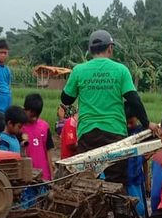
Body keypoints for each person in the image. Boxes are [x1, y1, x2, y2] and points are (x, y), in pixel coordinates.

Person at [61, 29, 155, 185]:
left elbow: (66, 99)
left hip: (87, 133)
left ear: (90, 50)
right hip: (115, 133)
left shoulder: (79, 70)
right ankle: (116, 208)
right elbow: (134, 99)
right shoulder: (120, 70)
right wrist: (147, 123)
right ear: (110, 48)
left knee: (86, 181)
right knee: (116, 181)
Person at [22, 93, 53, 180]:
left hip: (44, 175)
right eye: (32, 116)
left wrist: (51, 175)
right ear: (25, 110)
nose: (34, 119)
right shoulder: (19, 127)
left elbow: (48, 152)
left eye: (37, 116)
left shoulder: (44, 126)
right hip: (27, 176)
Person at [126, 110, 148, 218]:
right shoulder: (122, 131)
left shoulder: (141, 131)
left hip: (138, 173)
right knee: (138, 208)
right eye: (127, 123)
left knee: (141, 205)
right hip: (128, 175)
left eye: (132, 123)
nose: (129, 126)